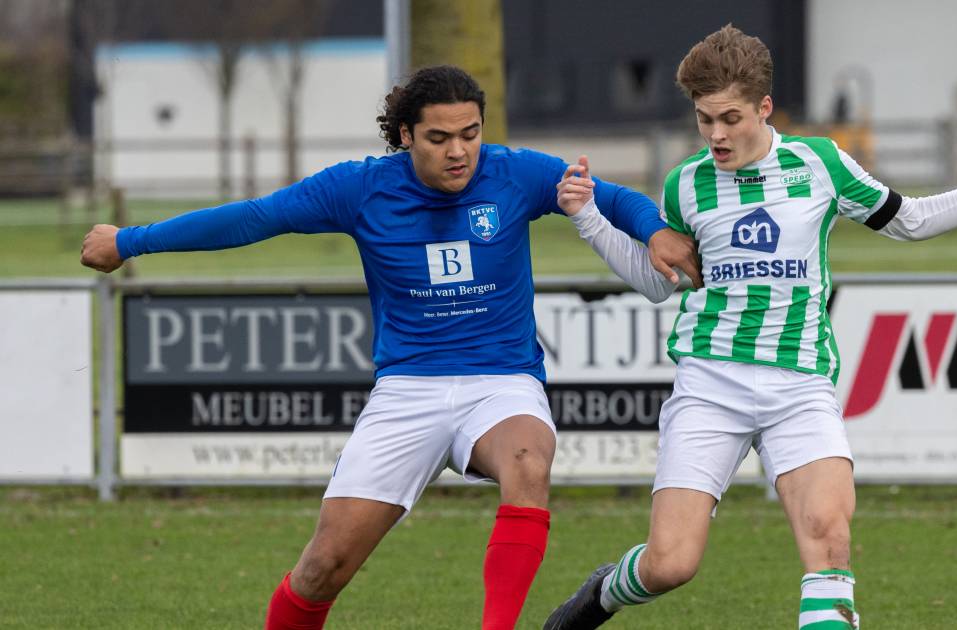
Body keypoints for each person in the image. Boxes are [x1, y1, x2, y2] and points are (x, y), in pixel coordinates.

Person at [79, 65, 701, 630]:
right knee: (323, 568)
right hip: (407, 391)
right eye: (439, 137)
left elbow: (611, 195)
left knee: (528, 462)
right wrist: (131, 240)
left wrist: (652, 231)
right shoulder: (359, 189)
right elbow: (252, 218)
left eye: (471, 133)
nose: (459, 151)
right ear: (405, 135)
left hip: (503, 380)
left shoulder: (514, 172)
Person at [544, 25, 957, 630]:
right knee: (670, 565)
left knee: (828, 545)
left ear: (764, 108)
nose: (715, 135)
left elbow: (913, 221)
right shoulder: (686, 182)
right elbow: (663, 281)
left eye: (730, 118)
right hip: (710, 386)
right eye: (703, 119)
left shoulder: (819, 163)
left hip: (799, 386)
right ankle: (602, 594)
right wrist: (589, 221)